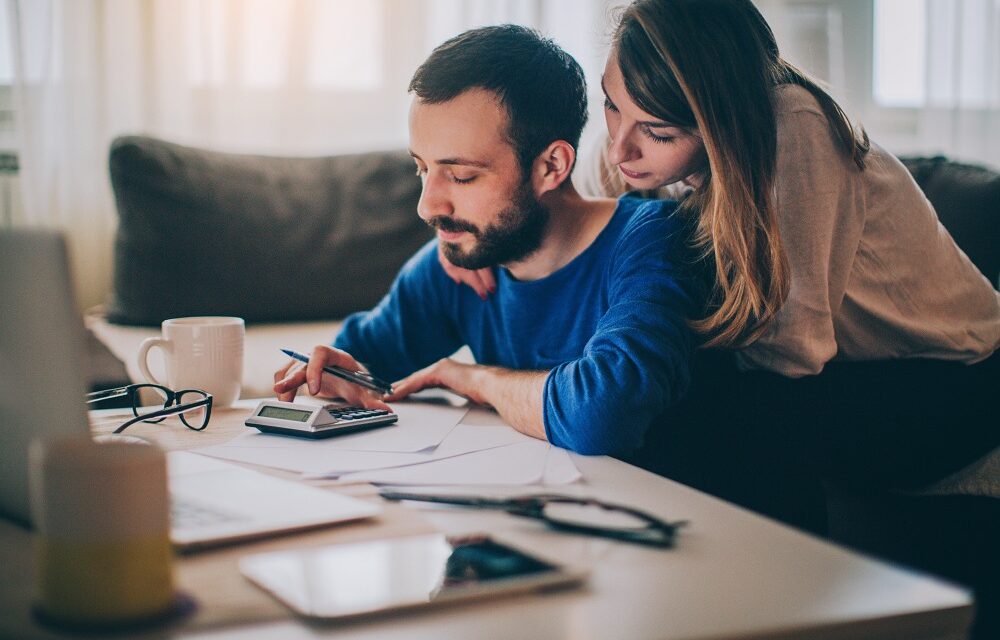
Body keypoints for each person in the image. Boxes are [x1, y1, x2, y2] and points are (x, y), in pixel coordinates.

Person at [440, 2, 998, 519]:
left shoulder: (794, 130)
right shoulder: (636, 137)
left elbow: (793, 350)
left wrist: (624, 363)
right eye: (612, 106)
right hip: (839, 370)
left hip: (951, 374)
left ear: (720, 120)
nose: (620, 149)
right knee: (639, 384)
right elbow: (558, 196)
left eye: (657, 132)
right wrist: (470, 235)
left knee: (688, 404)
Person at [273, 24, 703, 457]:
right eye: (422, 169)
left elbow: (603, 417)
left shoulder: (655, 240)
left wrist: (474, 378)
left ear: (551, 166)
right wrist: (336, 372)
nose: (427, 206)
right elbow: (362, 357)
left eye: (461, 176)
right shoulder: (462, 260)